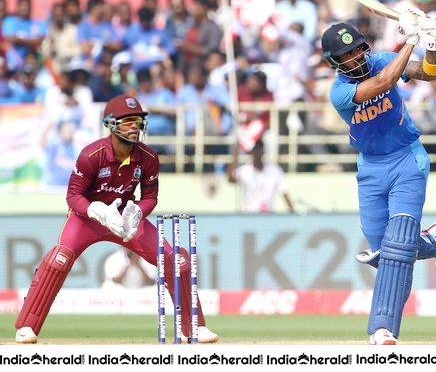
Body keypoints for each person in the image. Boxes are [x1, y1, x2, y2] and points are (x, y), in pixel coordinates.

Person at [15, 95, 218, 344]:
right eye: (128, 121)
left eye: (138, 120)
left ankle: (194, 328)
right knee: (59, 260)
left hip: (125, 219)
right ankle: (27, 326)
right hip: (87, 218)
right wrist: (95, 211)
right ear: (111, 124)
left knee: (177, 259)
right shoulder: (92, 155)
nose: (134, 126)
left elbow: (150, 197)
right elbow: (73, 196)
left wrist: (138, 213)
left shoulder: (148, 157)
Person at [322, 15, 436, 345]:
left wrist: (432, 46)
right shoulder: (339, 92)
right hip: (370, 169)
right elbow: (382, 84)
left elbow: (430, 72)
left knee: (396, 249)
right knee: (386, 252)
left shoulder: (380, 59)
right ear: (335, 62)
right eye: (346, 56)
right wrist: (410, 41)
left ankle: (382, 329)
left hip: (407, 158)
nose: (355, 58)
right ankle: (433, 242)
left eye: (358, 51)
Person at [226, 140, 294, 213]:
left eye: (259, 148)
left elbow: (284, 192)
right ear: (251, 151)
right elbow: (231, 179)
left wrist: (293, 214)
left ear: (263, 150)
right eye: (255, 149)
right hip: (248, 216)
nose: (257, 151)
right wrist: (236, 152)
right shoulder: (245, 170)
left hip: (267, 217)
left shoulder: (274, 170)